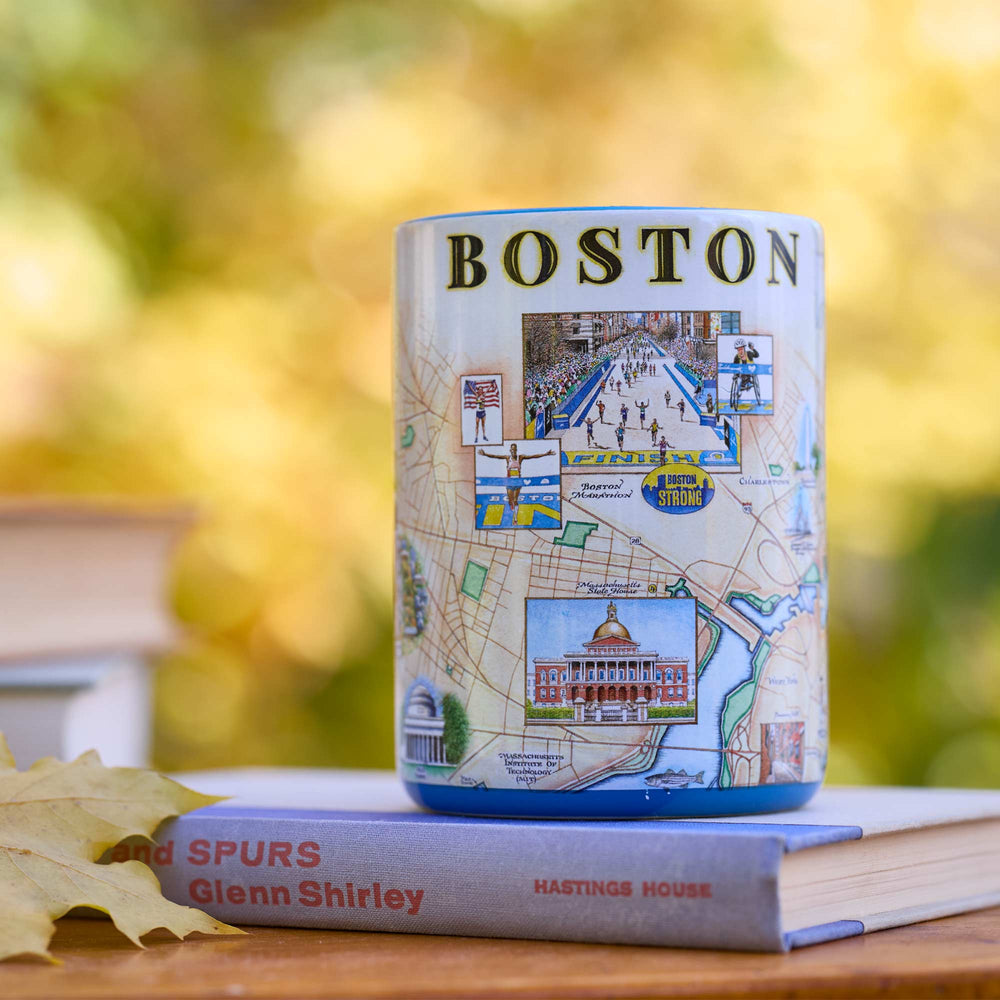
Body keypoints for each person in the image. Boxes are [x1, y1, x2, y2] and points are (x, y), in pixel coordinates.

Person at [477, 443, 555, 526]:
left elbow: (533, 456)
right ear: (510, 450)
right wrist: (485, 454)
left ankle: (515, 518)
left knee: (515, 500)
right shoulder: (507, 458)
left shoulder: (520, 457)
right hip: (509, 482)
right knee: (510, 501)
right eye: (512, 449)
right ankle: (511, 505)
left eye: (515, 449)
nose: (513, 451)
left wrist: (546, 454)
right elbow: (496, 456)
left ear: (516, 450)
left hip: (518, 482)